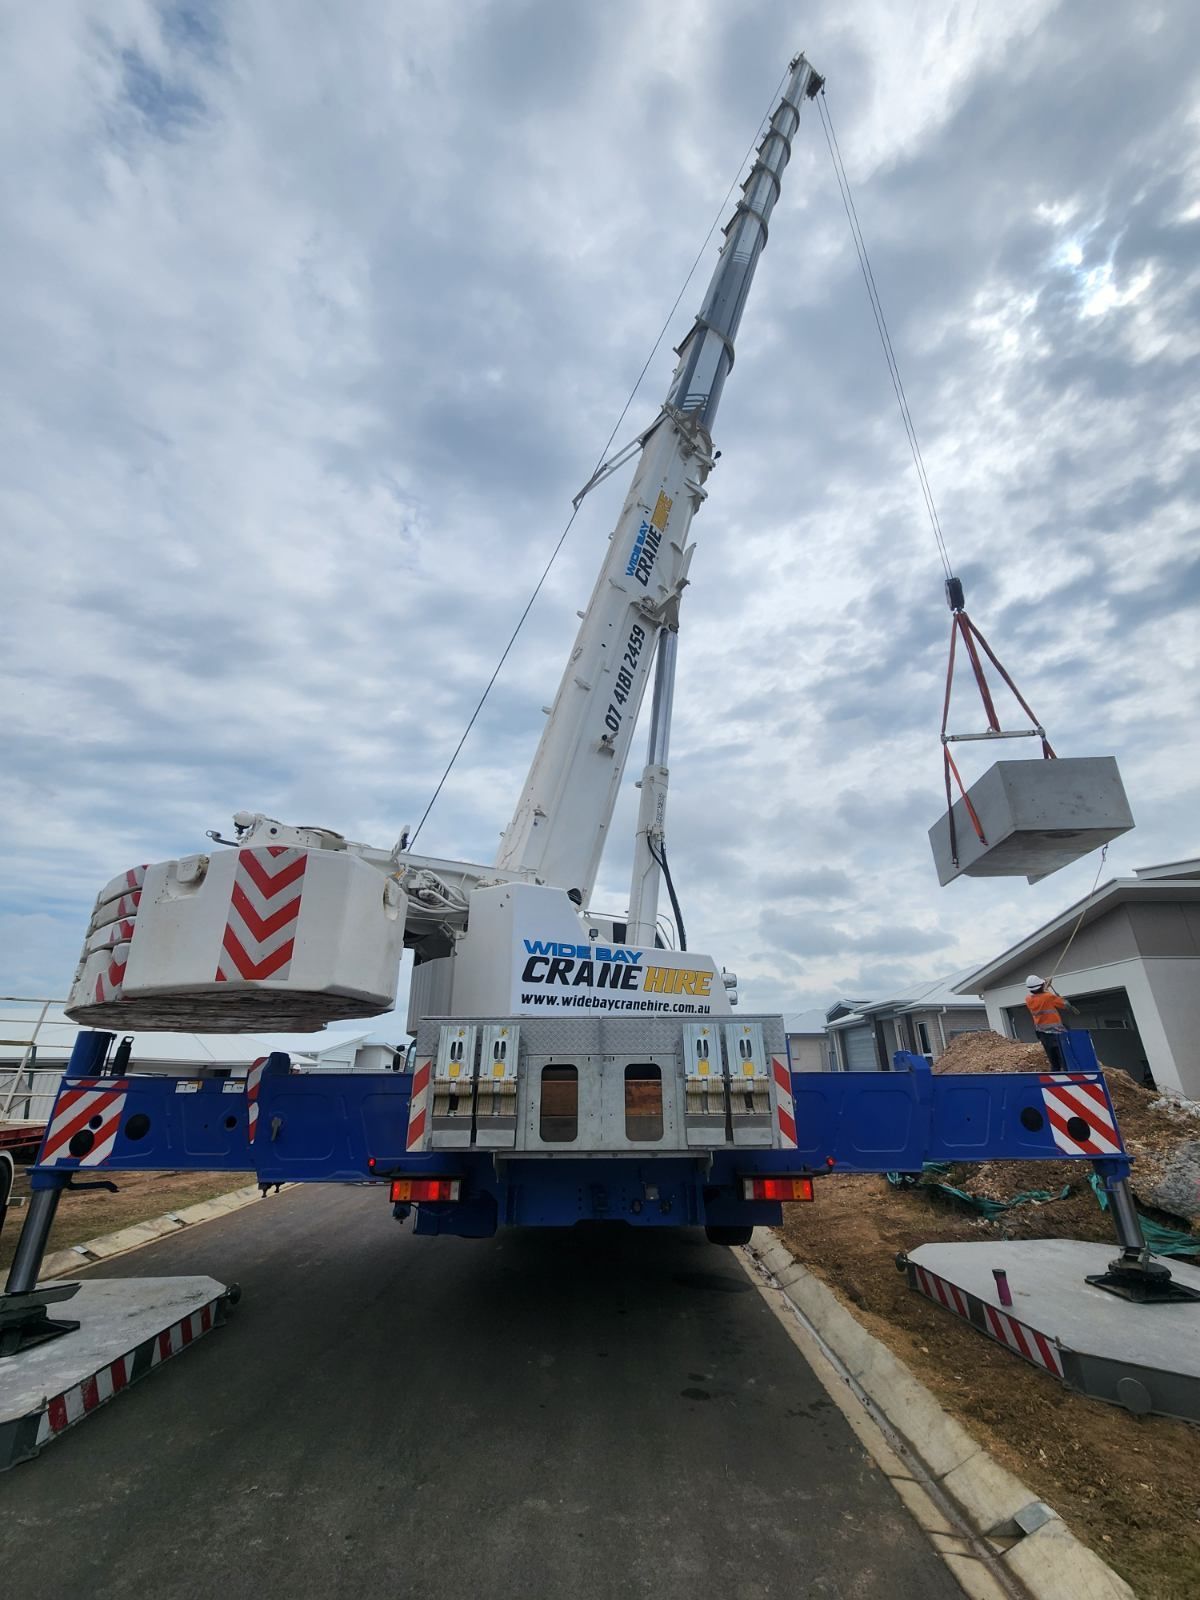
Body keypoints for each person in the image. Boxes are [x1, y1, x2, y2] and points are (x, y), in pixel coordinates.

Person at [1024, 975, 1077, 1070]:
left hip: (1042, 1034)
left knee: (1054, 1062)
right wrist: (1058, 996)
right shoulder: (1049, 997)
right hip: (1056, 1033)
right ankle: (1069, 1075)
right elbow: (1066, 1005)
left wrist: (1045, 986)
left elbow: (1040, 995)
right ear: (1041, 986)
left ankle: (1056, 1075)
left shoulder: (1028, 999)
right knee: (1065, 1060)